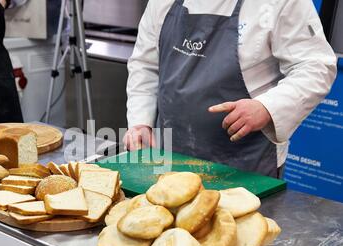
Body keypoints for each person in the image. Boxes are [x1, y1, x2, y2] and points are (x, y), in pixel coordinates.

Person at [124, 0, 337, 177]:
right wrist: (141, 122)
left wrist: (266, 107)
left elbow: (317, 66)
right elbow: (145, 65)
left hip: (245, 165)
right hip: (169, 159)